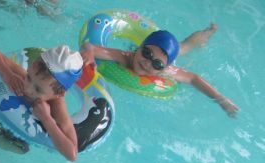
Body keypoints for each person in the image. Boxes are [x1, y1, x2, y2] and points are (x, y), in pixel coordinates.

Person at [82, 25, 239, 117]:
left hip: (171, 55)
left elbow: (193, 78)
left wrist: (220, 99)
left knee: (185, 47)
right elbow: (90, 46)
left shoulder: (167, 70)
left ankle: (208, 32)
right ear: (139, 47)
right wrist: (88, 55)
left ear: (163, 68)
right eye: (147, 53)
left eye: (157, 64)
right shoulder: (124, 57)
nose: (147, 63)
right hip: (160, 52)